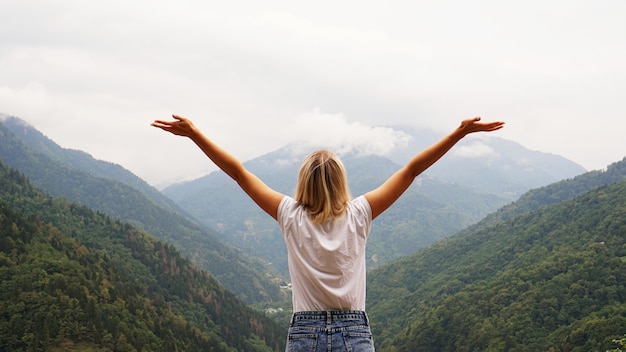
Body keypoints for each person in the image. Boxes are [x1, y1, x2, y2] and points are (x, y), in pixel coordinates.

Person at [152, 115, 504, 351]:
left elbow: (239, 173)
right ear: (341, 182)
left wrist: (195, 134)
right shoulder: (360, 214)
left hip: (304, 332)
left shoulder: (288, 214)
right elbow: (411, 170)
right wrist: (459, 133)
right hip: (355, 332)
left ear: (303, 180)